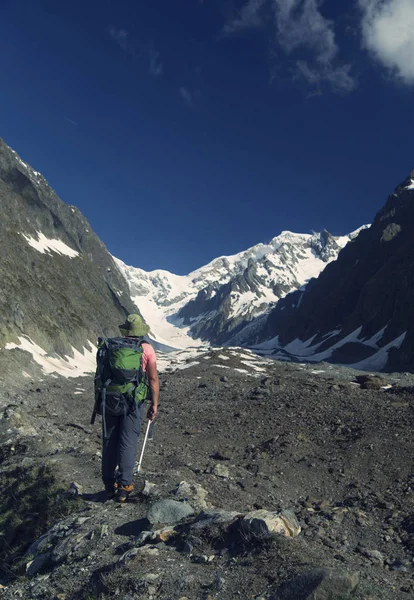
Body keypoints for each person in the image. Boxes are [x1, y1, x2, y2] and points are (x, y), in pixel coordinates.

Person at [97, 314, 159, 503]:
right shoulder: (146, 349)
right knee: (128, 441)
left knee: (109, 440)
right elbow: (153, 379)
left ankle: (109, 485)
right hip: (133, 401)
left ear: (125, 330)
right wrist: (154, 403)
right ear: (141, 331)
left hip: (110, 398)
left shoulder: (111, 347)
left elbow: (100, 373)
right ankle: (124, 487)